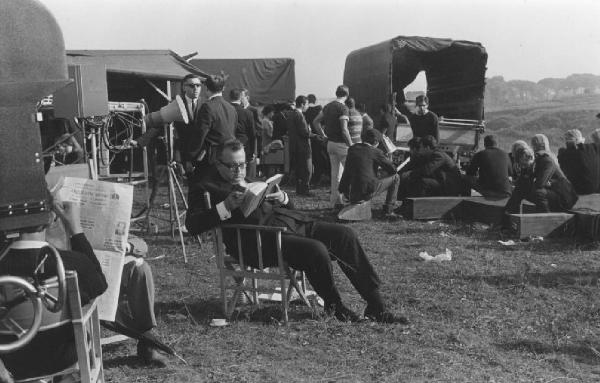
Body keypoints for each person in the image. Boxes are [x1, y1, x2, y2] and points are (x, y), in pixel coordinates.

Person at [185, 139, 408, 324]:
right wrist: (224, 207)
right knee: (316, 250)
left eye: (242, 165)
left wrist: (284, 198)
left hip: (291, 223)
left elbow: (280, 206)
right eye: (232, 166)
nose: (238, 171)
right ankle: (335, 306)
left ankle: (376, 305)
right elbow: (193, 225)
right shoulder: (205, 186)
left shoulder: (249, 178)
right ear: (218, 163)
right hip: (259, 241)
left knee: (345, 235)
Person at [0, 201, 168, 381]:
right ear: (49, 219)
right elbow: (99, 285)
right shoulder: (72, 263)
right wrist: (76, 229)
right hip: (65, 357)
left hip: (13, 364)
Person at [505, 135, 578, 214]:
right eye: (521, 165)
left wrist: (529, 181)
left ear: (530, 158)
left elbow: (540, 184)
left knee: (538, 192)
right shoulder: (530, 165)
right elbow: (520, 185)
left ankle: (545, 218)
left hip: (564, 197)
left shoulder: (546, 161)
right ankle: (509, 215)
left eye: (524, 165)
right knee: (521, 189)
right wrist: (506, 209)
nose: (523, 167)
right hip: (552, 192)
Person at [339, 129, 400, 217]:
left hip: (351, 191)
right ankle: (388, 210)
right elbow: (393, 170)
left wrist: (343, 189)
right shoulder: (376, 152)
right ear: (375, 141)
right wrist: (388, 159)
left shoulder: (352, 149)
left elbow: (350, 170)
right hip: (366, 191)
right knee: (396, 177)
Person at [187, 74, 237, 173]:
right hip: (230, 154)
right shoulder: (231, 108)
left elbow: (200, 134)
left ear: (206, 87)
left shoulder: (207, 107)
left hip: (212, 157)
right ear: (223, 88)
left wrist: (190, 157)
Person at [312, 85, 352, 209]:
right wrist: (352, 145)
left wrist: (323, 136)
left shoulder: (328, 106)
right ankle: (350, 201)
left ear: (336, 93)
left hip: (330, 144)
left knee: (335, 175)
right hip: (342, 144)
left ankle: (335, 202)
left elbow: (315, 122)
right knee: (351, 173)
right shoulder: (343, 108)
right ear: (347, 94)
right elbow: (344, 130)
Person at [397, 135, 464, 200]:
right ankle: (405, 204)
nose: (419, 149)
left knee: (423, 182)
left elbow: (427, 170)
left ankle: (419, 206)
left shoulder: (438, 155)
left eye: (421, 147)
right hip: (442, 182)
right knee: (413, 180)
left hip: (449, 186)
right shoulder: (430, 154)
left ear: (427, 147)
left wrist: (410, 173)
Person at [284, 95, 313, 195]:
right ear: (302, 104)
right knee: (307, 169)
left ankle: (299, 190)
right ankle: (305, 190)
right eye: (307, 104)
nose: (308, 106)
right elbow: (305, 132)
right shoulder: (299, 115)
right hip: (303, 146)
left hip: (294, 146)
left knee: (298, 169)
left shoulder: (290, 115)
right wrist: (310, 131)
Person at [558, 129, 600, 195]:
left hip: (580, 190)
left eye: (566, 141)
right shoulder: (593, 148)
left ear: (569, 142)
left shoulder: (565, 154)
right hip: (597, 188)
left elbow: (564, 170)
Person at [304, 94, 329, 187]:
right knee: (323, 158)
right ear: (315, 100)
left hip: (312, 138)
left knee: (315, 159)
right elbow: (324, 123)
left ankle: (316, 179)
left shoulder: (306, 112)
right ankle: (324, 177)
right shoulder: (319, 109)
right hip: (321, 136)